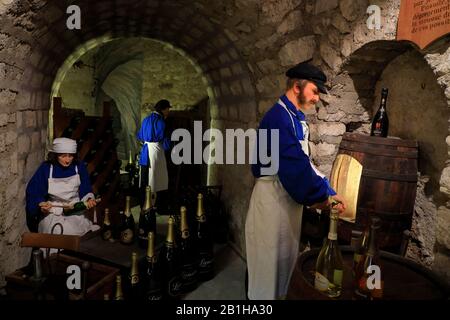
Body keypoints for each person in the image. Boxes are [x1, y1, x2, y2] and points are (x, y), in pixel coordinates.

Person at [245, 61, 347, 300]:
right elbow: (294, 168)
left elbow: (304, 161)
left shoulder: (295, 117)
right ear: (297, 87)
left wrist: (326, 188)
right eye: (315, 91)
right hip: (272, 200)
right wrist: (322, 199)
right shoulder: (279, 118)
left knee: (283, 266)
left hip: (286, 201)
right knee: (267, 270)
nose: (317, 98)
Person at [25, 137, 99, 235]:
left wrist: (89, 199)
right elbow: (34, 191)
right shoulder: (46, 168)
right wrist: (41, 204)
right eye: (63, 156)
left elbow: (85, 187)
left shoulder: (78, 166)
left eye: (71, 156)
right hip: (54, 211)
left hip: (75, 209)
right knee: (58, 233)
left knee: (80, 234)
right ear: (55, 155)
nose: (67, 160)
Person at [137, 99, 172, 208]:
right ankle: (154, 204)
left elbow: (140, 136)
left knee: (145, 176)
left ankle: (143, 202)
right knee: (156, 178)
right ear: (163, 109)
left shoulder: (146, 119)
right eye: (168, 109)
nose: (168, 112)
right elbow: (165, 140)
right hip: (156, 151)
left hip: (145, 150)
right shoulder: (161, 121)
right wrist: (168, 147)